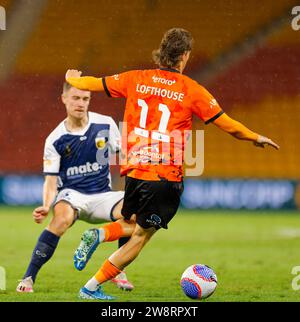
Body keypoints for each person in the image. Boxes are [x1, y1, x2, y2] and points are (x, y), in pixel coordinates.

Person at [66, 27, 280, 300]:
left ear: (162, 53)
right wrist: (255, 137)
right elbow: (228, 125)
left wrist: (73, 79)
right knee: (142, 235)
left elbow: (93, 84)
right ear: (185, 56)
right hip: (164, 175)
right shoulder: (191, 90)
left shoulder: (136, 78)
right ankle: (90, 286)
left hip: (134, 170)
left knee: (132, 221)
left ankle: (99, 240)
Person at [16, 82, 135, 296]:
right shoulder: (55, 139)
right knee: (60, 220)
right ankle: (29, 276)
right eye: (75, 98)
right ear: (64, 98)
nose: (80, 103)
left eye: (85, 99)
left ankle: (118, 270)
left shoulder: (105, 124)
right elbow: (51, 181)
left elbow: (125, 156)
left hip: (103, 195)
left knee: (135, 213)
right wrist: (45, 205)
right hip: (72, 195)